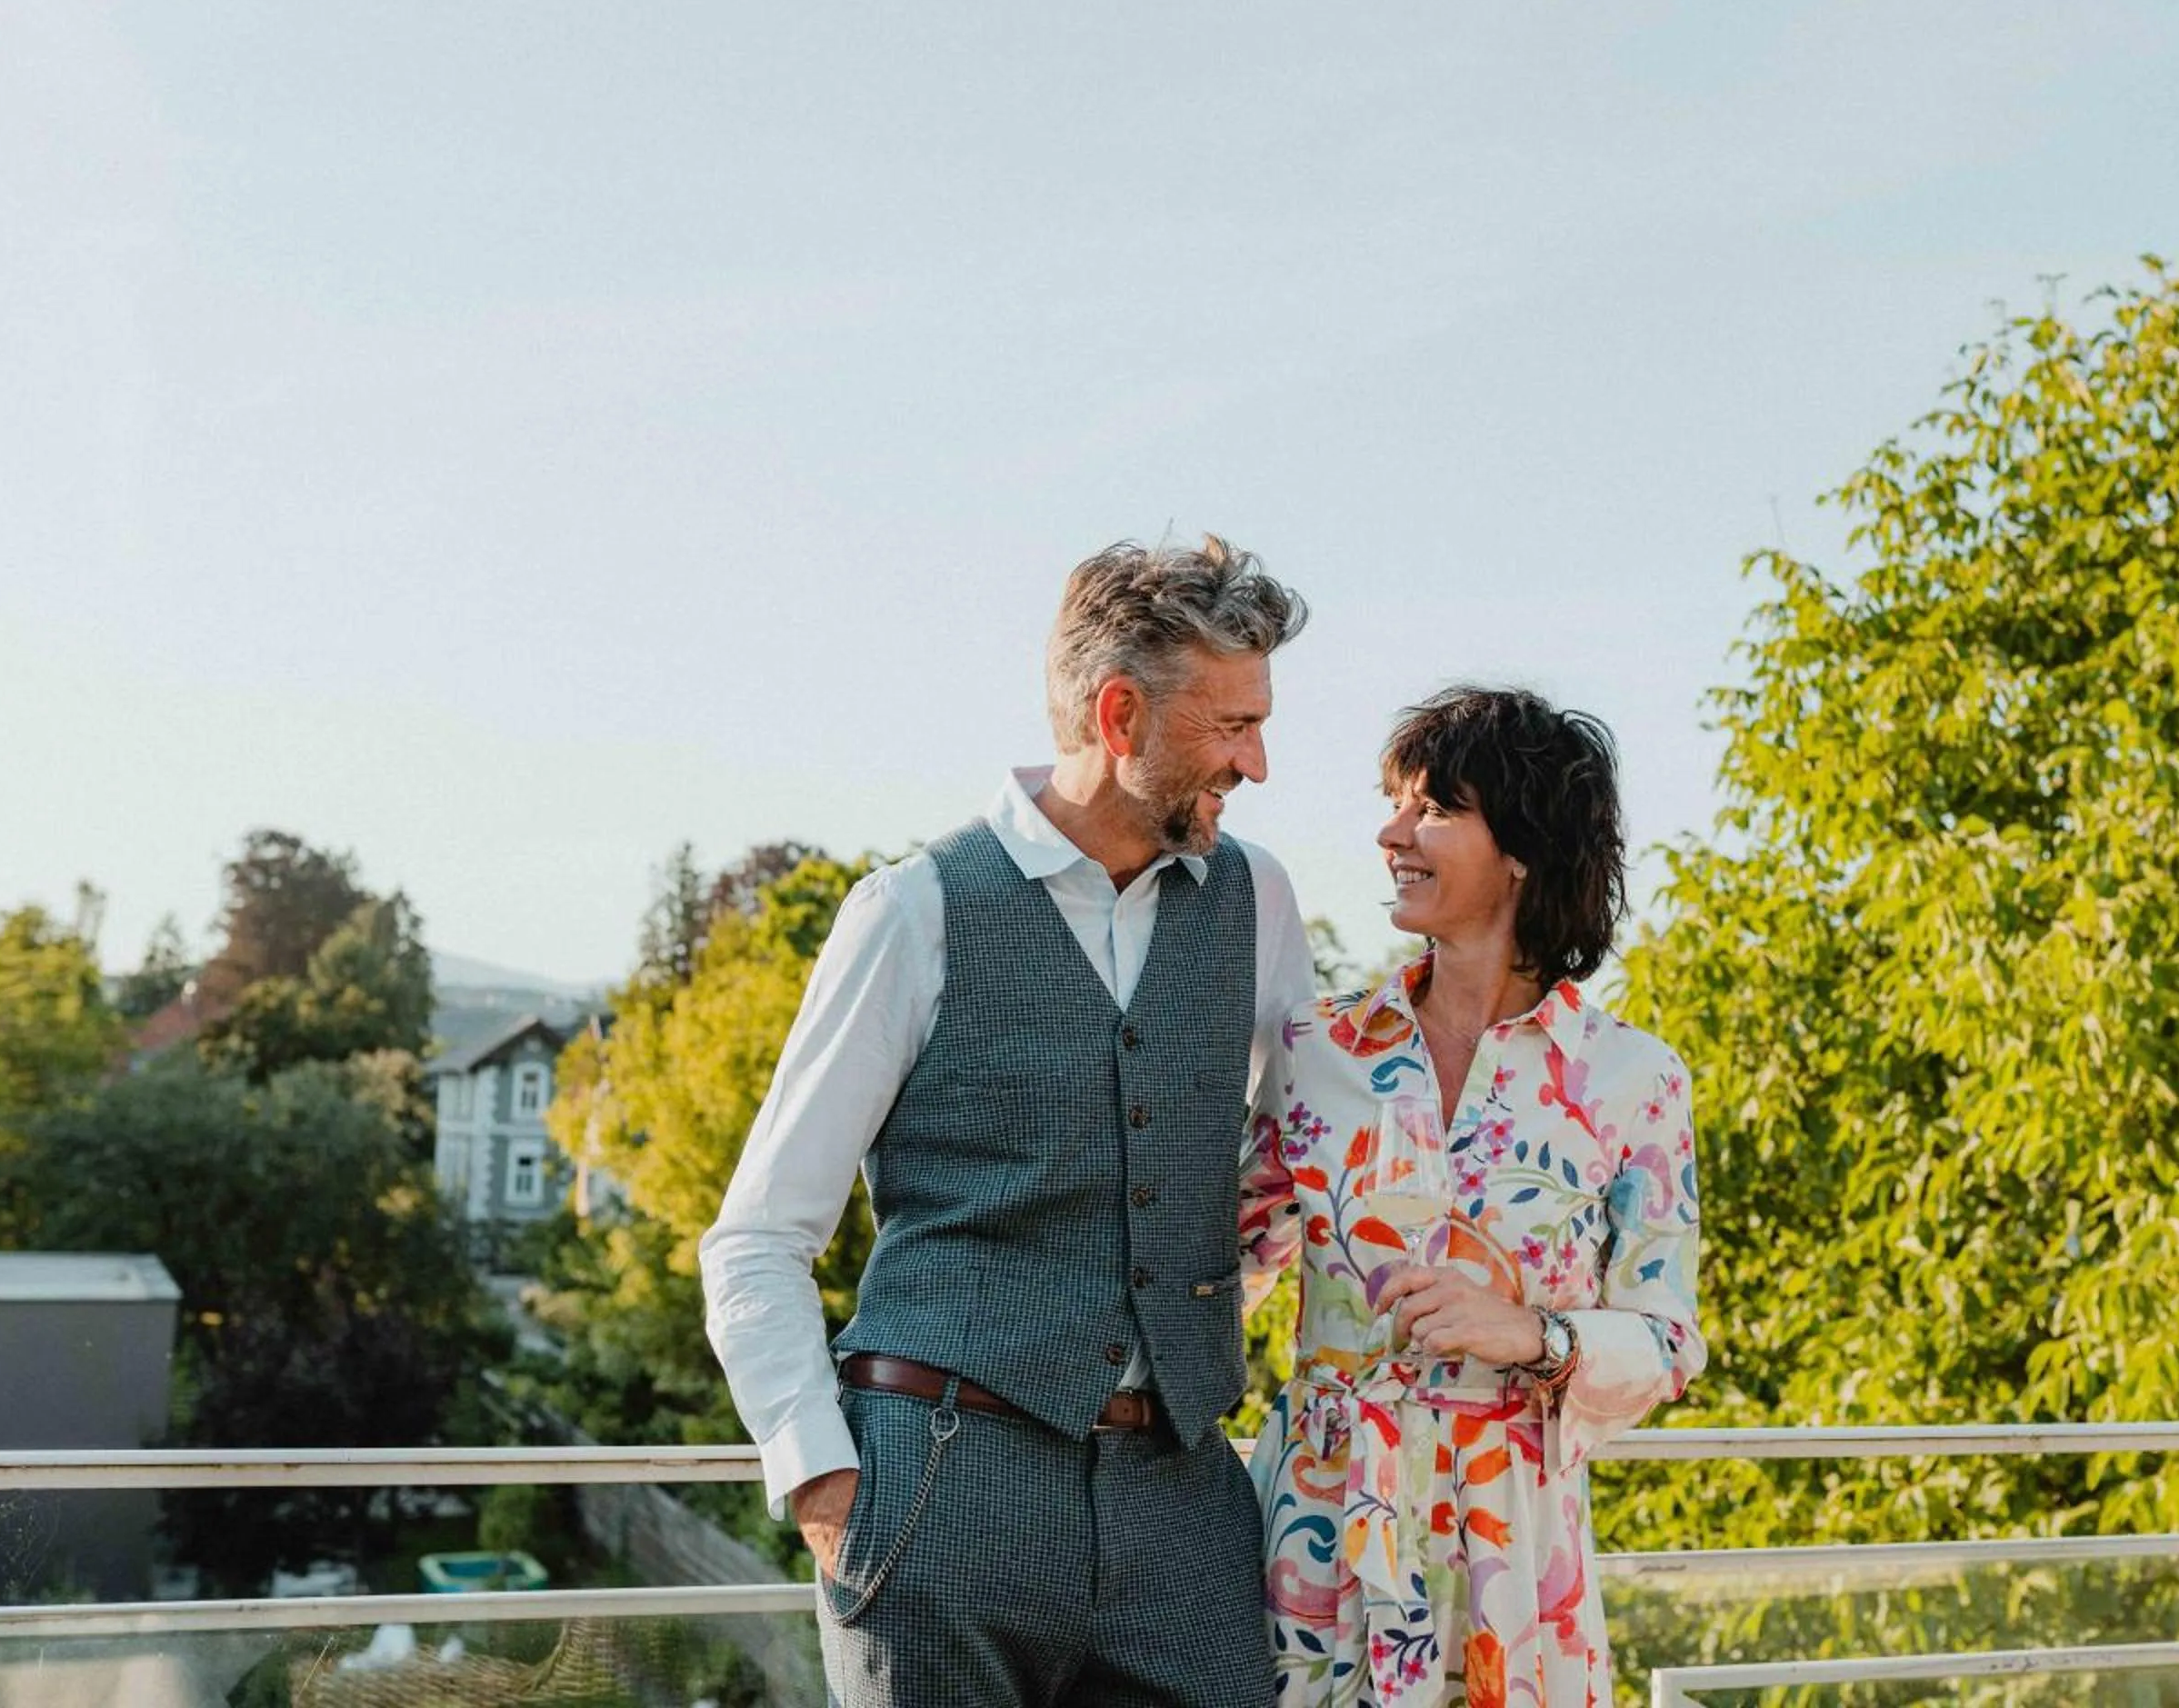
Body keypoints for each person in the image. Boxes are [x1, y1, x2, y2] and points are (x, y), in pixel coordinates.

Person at [699, 535, 1316, 1708]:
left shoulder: (1258, 899)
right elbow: (758, 1235)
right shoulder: (914, 909)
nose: (1259, 762)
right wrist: (825, 1483)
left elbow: (1320, 1147)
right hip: (941, 1482)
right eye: (1232, 725)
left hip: (1184, 1499)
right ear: (1122, 714)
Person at [1240, 686, 1706, 1706]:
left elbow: (1671, 1337)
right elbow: (1222, 1261)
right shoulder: (1316, 1050)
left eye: (1433, 807)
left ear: (1522, 849)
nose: (1390, 833)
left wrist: (1533, 1332)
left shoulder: (1632, 1078)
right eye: (1394, 801)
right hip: (1321, 1527)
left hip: (1516, 1543)